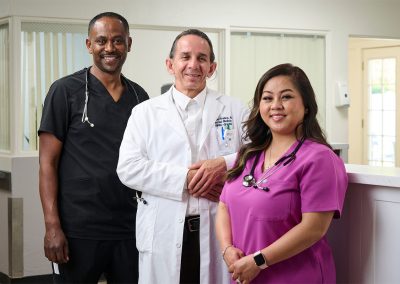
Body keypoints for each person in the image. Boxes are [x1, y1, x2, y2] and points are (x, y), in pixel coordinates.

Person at [117, 29, 249, 284]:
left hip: (217, 229)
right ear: (170, 64)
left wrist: (222, 165)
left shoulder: (234, 109)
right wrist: (186, 180)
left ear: (212, 67)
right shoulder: (144, 113)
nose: (193, 65)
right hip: (163, 229)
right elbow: (128, 168)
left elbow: (258, 155)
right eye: (185, 56)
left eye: (202, 58)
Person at [38, 12, 149, 283]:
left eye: (117, 41)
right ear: (89, 45)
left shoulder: (140, 97)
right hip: (79, 229)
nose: (109, 48)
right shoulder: (65, 91)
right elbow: (46, 164)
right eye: (101, 41)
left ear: (129, 44)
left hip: (129, 227)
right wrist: (52, 226)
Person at [215, 63, 348, 284]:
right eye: (267, 98)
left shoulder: (320, 159)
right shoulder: (247, 154)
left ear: (306, 105)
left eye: (286, 97)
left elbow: (314, 228)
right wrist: (227, 249)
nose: (276, 105)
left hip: (297, 276)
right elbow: (223, 205)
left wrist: (258, 261)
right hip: (246, 275)